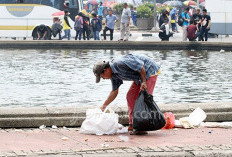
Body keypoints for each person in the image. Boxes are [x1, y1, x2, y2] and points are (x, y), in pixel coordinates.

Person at [93, 54, 161, 135]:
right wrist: (104, 106)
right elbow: (114, 91)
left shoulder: (119, 63)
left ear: (106, 70)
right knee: (130, 96)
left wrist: (144, 82)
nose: (103, 79)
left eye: (102, 76)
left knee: (143, 99)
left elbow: (140, 66)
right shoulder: (113, 75)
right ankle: (133, 124)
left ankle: (142, 127)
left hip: (149, 70)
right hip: (139, 76)